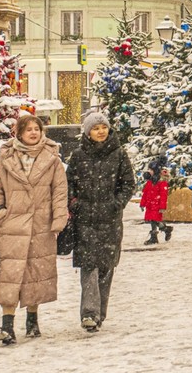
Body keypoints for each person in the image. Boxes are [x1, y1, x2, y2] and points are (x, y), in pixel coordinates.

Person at [0, 114, 68, 345]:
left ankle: (32, 320)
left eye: (37, 129)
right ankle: (7, 326)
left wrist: (58, 220)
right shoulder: (6, 159)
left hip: (40, 225)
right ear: (19, 133)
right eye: (28, 129)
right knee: (9, 275)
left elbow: (60, 192)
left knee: (36, 273)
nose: (33, 133)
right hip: (12, 225)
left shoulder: (52, 160)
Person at [66, 110, 135, 333]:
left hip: (110, 220)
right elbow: (68, 185)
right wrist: (75, 203)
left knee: (105, 269)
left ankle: (99, 314)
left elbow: (128, 183)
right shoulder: (78, 156)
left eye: (103, 127)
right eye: (95, 128)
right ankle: (89, 313)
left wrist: (117, 203)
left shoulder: (119, 154)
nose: (100, 131)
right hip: (84, 221)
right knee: (89, 268)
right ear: (88, 132)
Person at [140, 167, 174, 245]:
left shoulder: (162, 182)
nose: (149, 171)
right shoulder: (150, 182)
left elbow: (163, 196)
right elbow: (145, 193)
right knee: (153, 220)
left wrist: (162, 207)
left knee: (155, 220)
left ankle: (155, 237)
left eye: (151, 170)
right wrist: (142, 204)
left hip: (156, 205)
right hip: (150, 205)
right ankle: (164, 230)